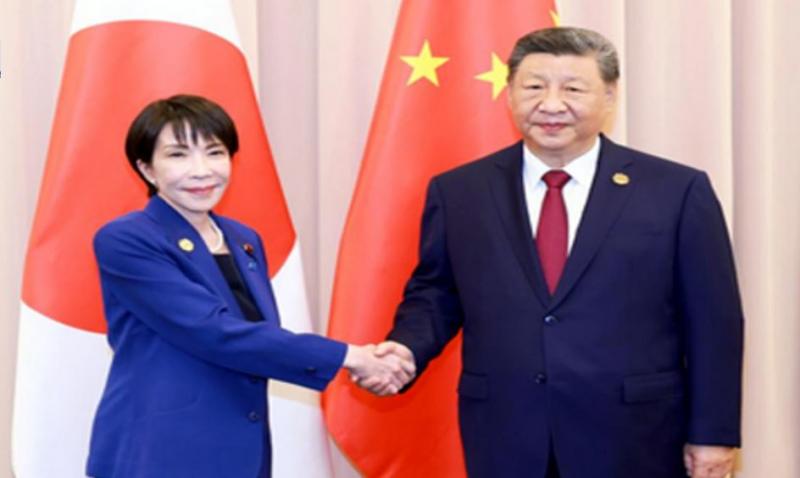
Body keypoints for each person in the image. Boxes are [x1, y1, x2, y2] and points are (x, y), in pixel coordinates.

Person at [366, 27, 744, 478]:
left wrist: (713, 433)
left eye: (572, 89)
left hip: (634, 435)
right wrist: (405, 349)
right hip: (507, 433)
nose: (550, 104)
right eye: (534, 87)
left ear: (609, 95)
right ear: (509, 93)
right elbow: (436, 294)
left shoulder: (675, 190)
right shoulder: (461, 191)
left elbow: (713, 321)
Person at [85, 94, 414, 478]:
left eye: (214, 152)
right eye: (178, 155)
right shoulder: (127, 239)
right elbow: (212, 331)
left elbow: (257, 337)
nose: (201, 170)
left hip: (241, 446)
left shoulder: (243, 239)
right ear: (147, 169)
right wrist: (350, 356)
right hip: (162, 448)